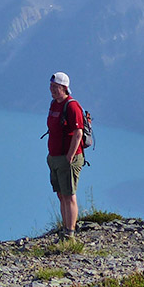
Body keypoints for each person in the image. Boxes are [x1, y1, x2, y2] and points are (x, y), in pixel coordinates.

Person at [46, 71, 85, 242]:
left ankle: (70, 232)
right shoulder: (54, 104)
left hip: (68, 158)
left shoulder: (72, 106)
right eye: (51, 87)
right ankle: (65, 228)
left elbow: (78, 132)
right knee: (61, 194)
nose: (52, 90)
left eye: (56, 87)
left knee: (69, 194)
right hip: (55, 157)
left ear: (65, 88)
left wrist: (69, 156)